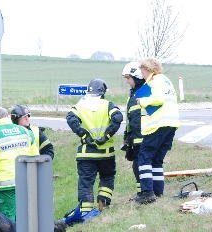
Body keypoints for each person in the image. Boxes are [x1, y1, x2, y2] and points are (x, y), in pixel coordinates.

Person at [65, 79, 123, 213]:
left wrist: (84, 135)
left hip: (87, 154)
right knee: (107, 178)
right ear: (103, 92)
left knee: (86, 183)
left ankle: (85, 212)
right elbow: (118, 117)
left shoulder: (80, 105)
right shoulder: (108, 105)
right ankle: (103, 205)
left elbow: (70, 118)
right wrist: (107, 135)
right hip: (106, 154)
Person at [133, 58, 180, 204]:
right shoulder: (166, 80)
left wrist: (142, 101)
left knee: (144, 158)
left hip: (158, 124)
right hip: (170, 124)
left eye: (142, 70)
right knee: (157, 160)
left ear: (148, 69)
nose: (141, 73)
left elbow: (158, 99)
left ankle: (147, 192)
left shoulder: (155, 81)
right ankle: (158, 192)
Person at [121, 62, 145, 198]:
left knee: (139, 166)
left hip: (141, 138)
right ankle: (141, 192)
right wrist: (126, 137)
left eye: (128, 78)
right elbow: (130, 120)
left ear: (136, 77)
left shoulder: (140, 94)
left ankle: (144, 193)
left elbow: (137, 120)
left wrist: (133, 140)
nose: (127, 82)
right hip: (136, 138)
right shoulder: (134, 94)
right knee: (137, 166)